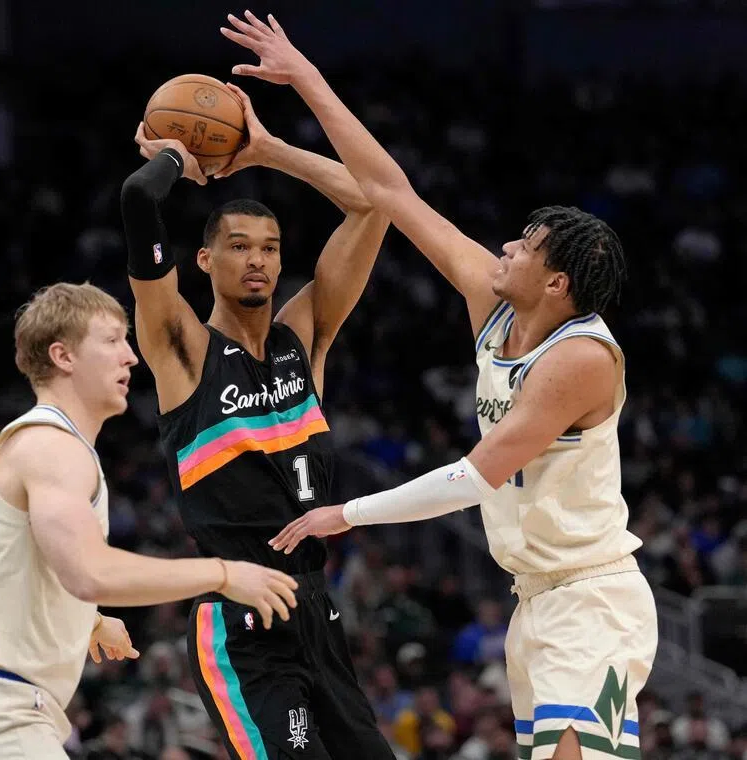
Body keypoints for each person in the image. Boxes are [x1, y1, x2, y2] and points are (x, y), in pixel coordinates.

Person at [221, 11, 657, 760]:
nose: (508, 245)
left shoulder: (582, 359)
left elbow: (476, 476)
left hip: (593, 597)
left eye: (527, 246)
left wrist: (346, 514)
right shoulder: (493, 303)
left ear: (556, 283)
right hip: (536, 601)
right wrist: (302, 88)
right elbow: (390, 191)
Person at [0, 283, 299, 760]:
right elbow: (90, 574)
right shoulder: (52, 447)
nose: (131, 357)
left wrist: (86, 621)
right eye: (112, 340)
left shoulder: (53, 446)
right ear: (63, 356)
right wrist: (224, 573)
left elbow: (20, 566)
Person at [123, 86, 395, 759]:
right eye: (240, 246)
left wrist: (267, 151)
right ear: (206, 262)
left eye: (270, 248)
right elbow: (137, 199)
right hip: (242, 624)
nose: (258, 260)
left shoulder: (302, 337)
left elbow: (371, 203)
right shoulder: (182, 351)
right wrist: (172, 163)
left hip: (316, 611)